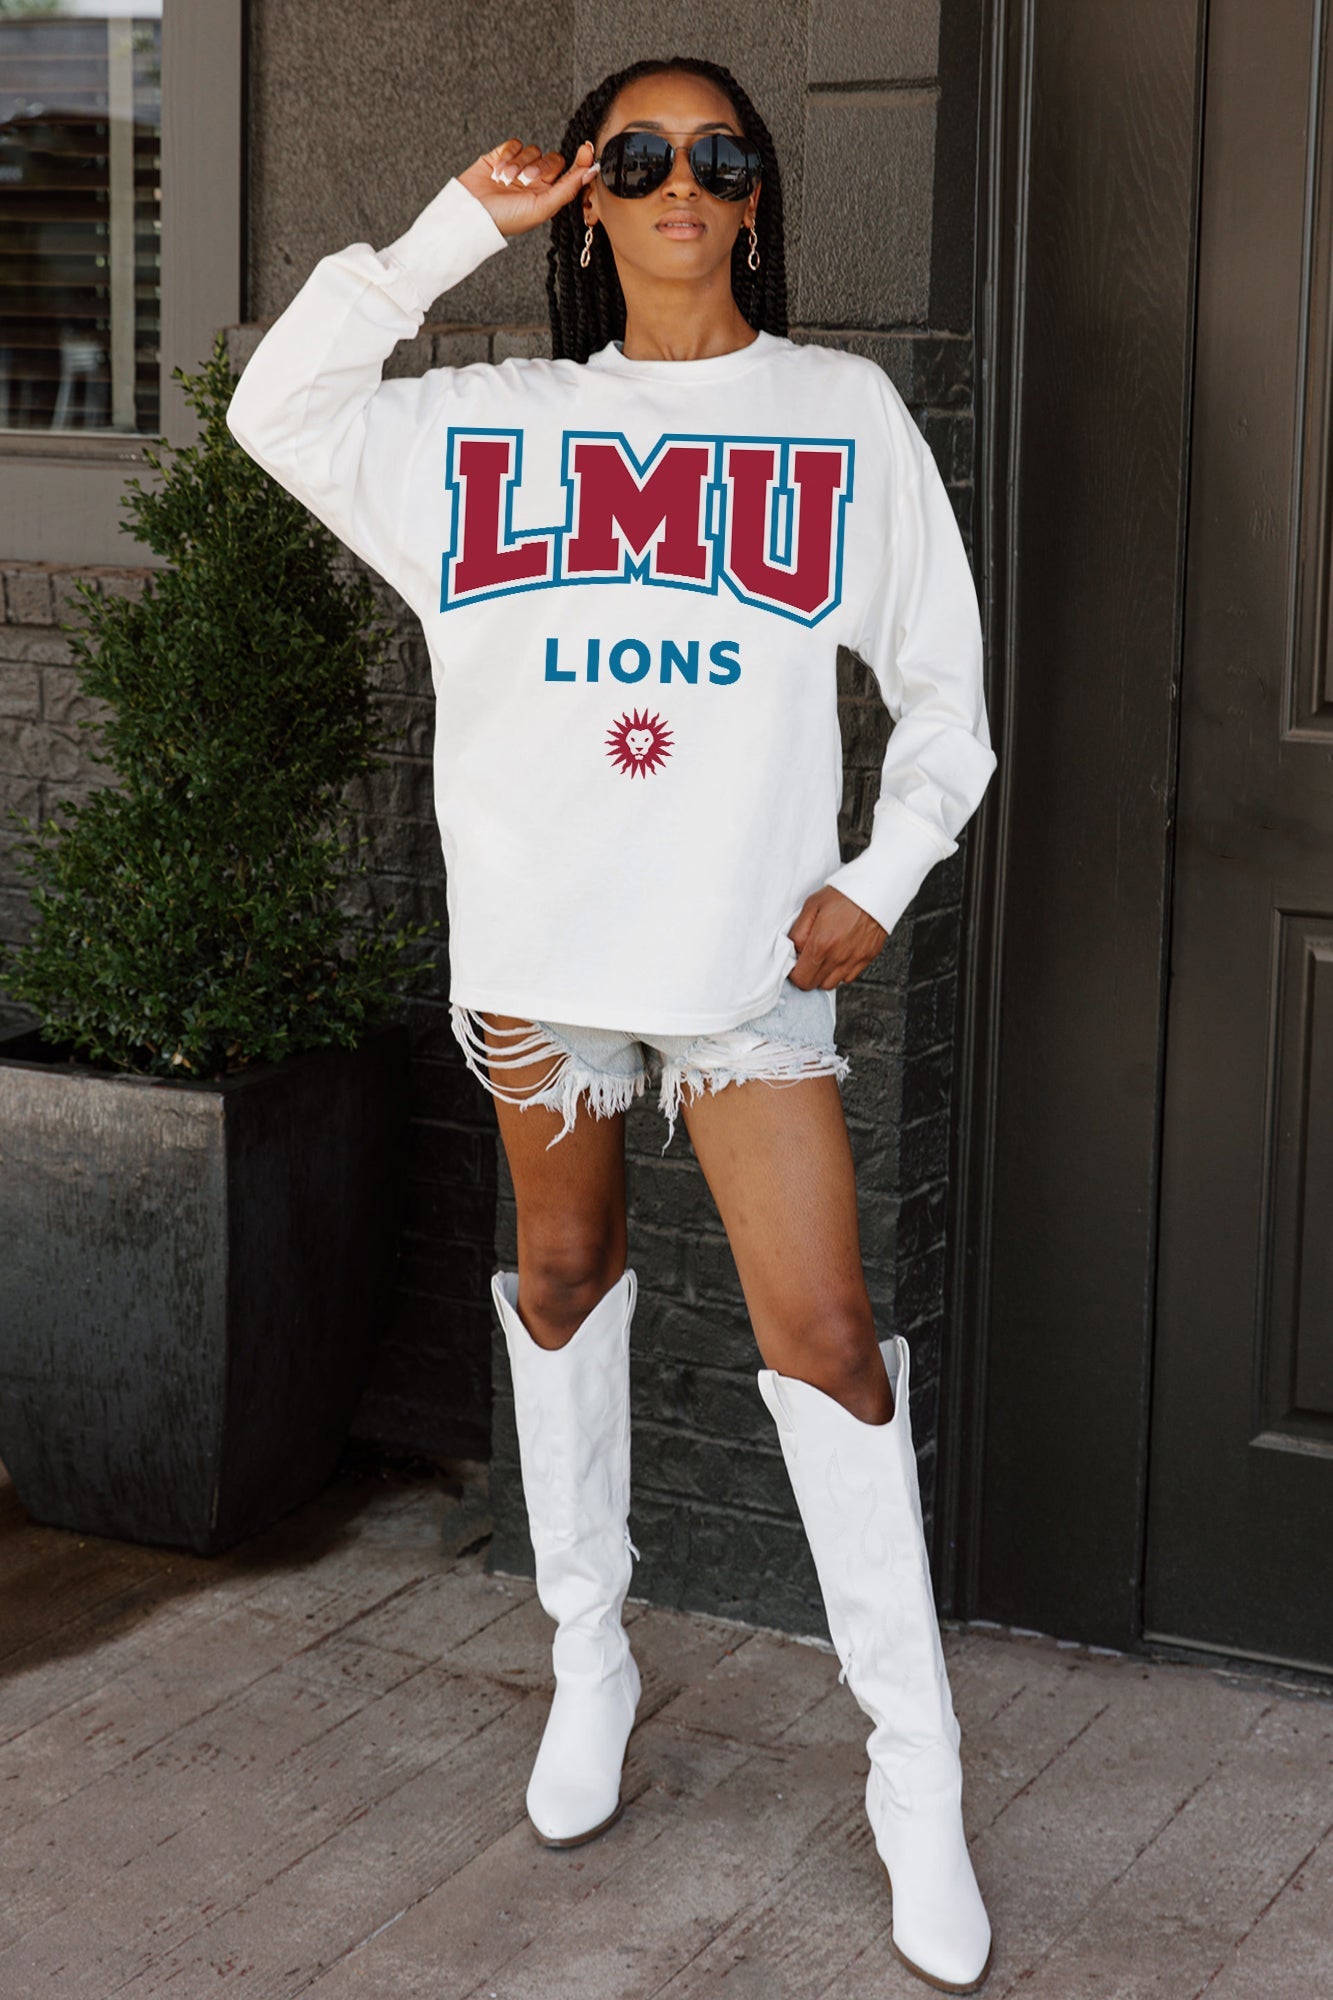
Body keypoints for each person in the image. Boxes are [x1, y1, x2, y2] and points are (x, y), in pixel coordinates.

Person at [225, 52, 997, 1995]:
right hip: (541, 960)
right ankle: (591, 1657)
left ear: (754, 197)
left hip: (742, 968)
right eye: (633, 155)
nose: (675, 181)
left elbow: (944, 692)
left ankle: (914, 1772)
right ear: (587, 193)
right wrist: (447, 235)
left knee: (829, 1341)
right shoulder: (487, 423)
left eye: (713, 155)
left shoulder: (835, 415)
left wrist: (884, 873)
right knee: (561, 1279)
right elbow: (275, 403)